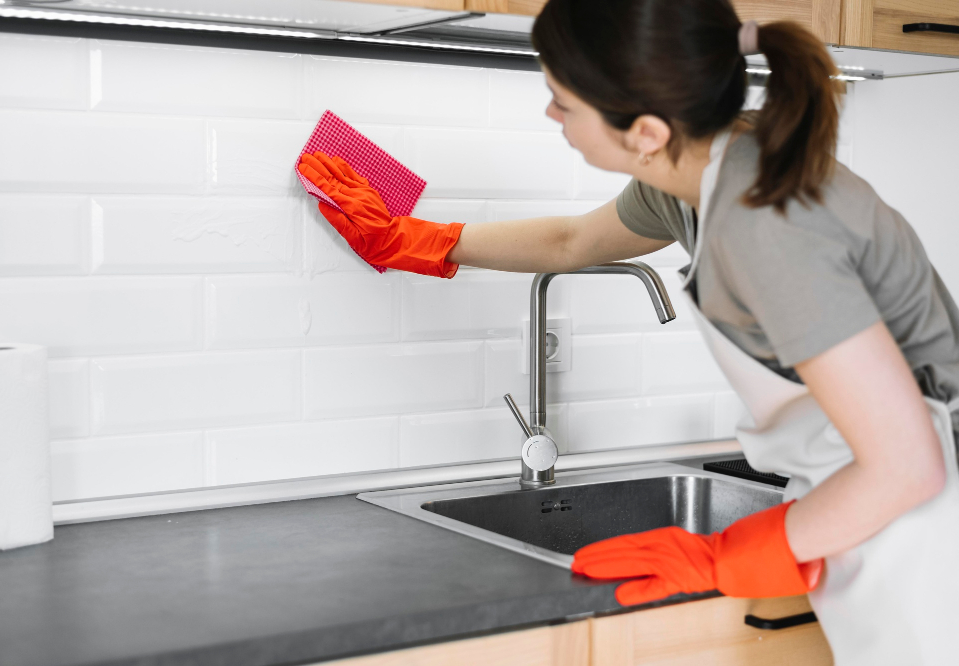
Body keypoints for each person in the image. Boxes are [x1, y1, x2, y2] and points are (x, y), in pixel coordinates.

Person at [296, 0, 959, 662]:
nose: (551, 115)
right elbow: (570, 240)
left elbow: (907, 464)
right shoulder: (694, 175)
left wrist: (728, 552)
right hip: (877, 498)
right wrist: (415, 240)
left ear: (644, 131)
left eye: (563, 101)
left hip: (924, 521)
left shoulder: (765, 225)